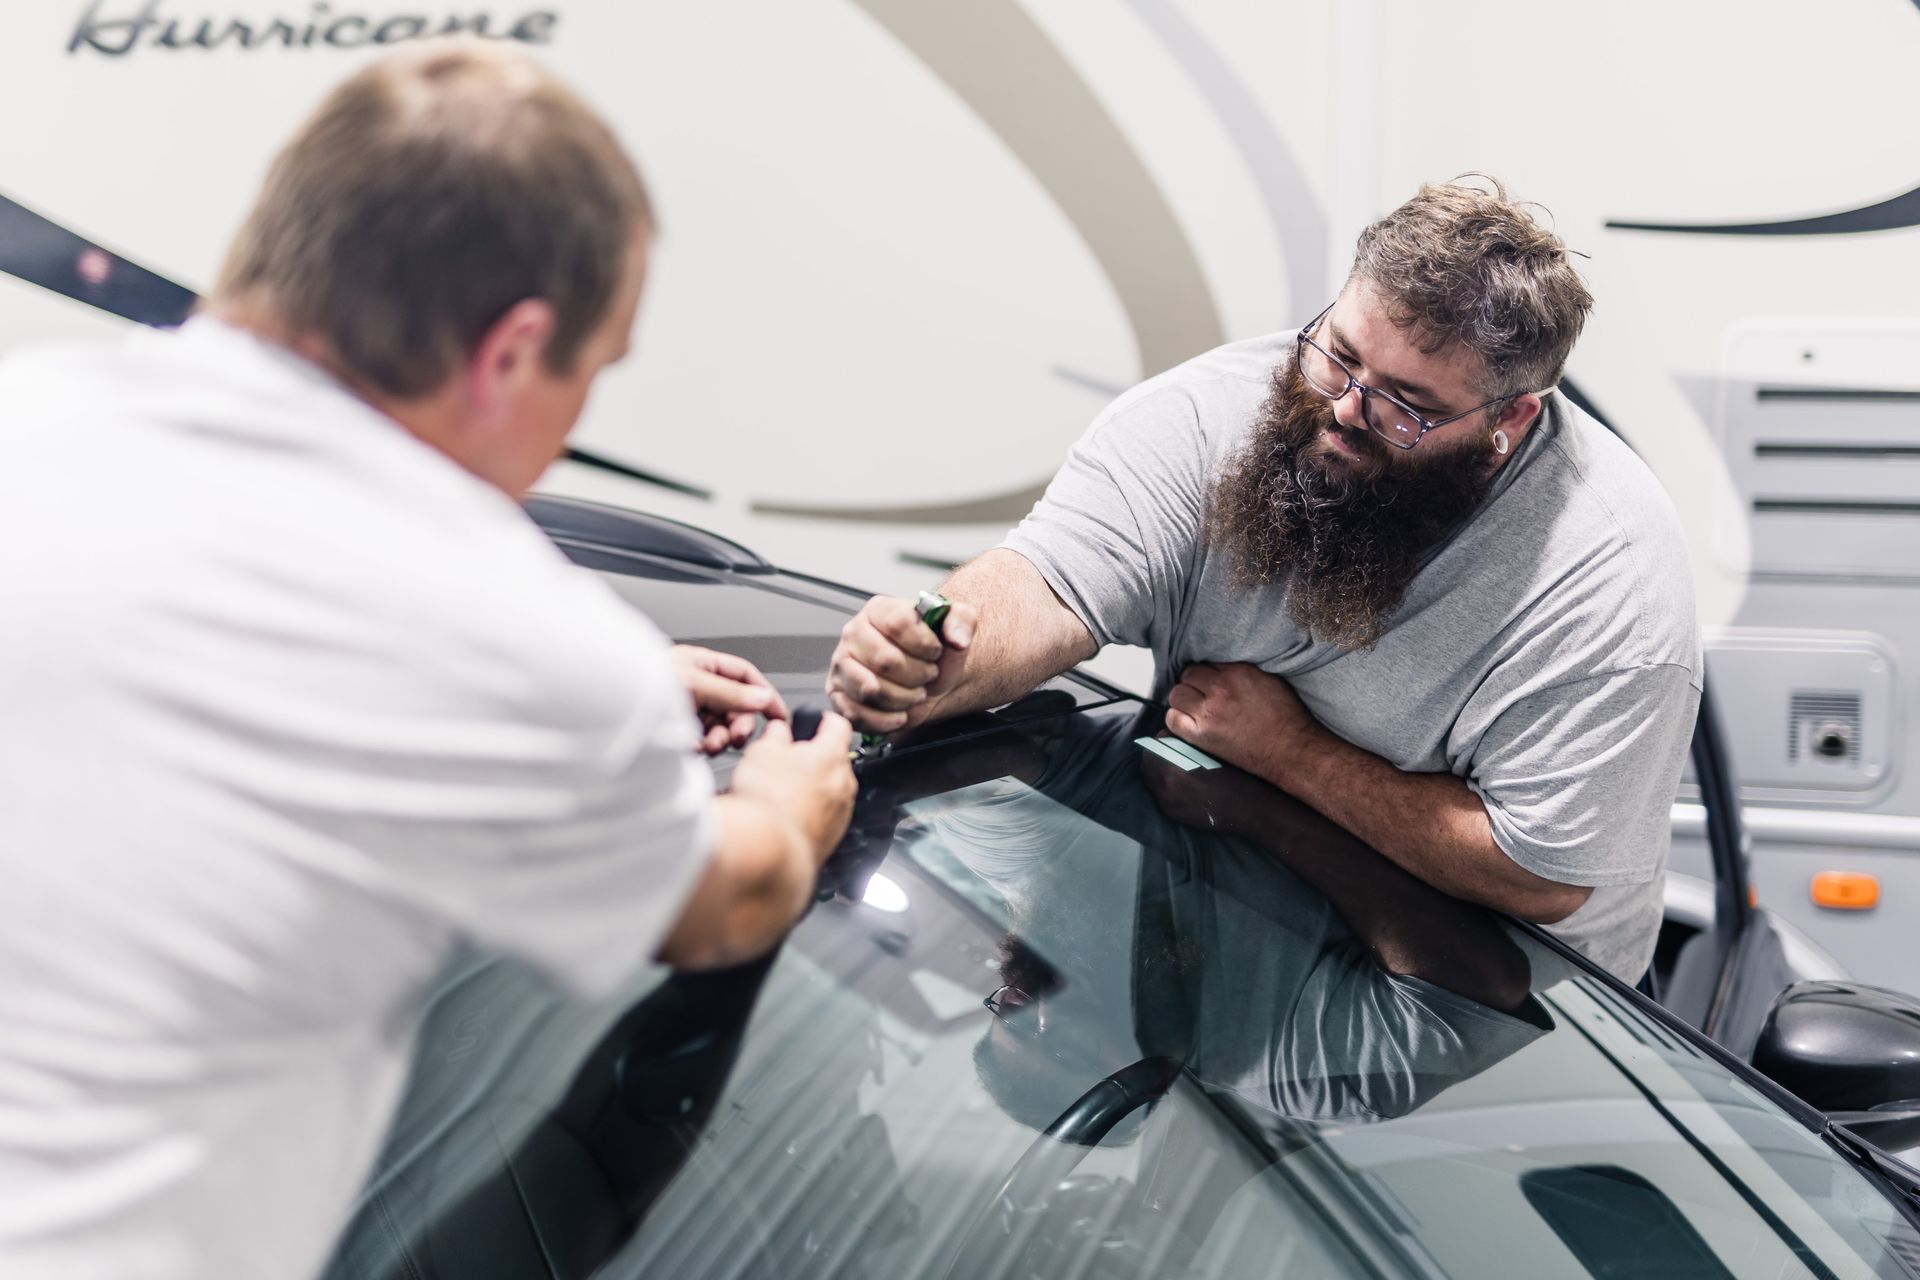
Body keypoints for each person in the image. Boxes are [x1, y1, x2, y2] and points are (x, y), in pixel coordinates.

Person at [0, 40, 854, 1280]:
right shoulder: (522, 656)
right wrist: (787, 806)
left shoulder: (30, 422)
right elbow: (723, 900)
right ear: (511, 352)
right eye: (590, 376)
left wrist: (560, 697)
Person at [828, 178, 1700, 983]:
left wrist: (1290, 755)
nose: (1345, 409)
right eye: (1340, 352)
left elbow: (1537, 876)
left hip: (1502, 1003)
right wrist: (931, 653)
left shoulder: (1609, 582)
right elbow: (1049, 582)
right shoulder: (1204, 419)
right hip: (1232, 901)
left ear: (1509, 418)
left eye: (1407, 404)